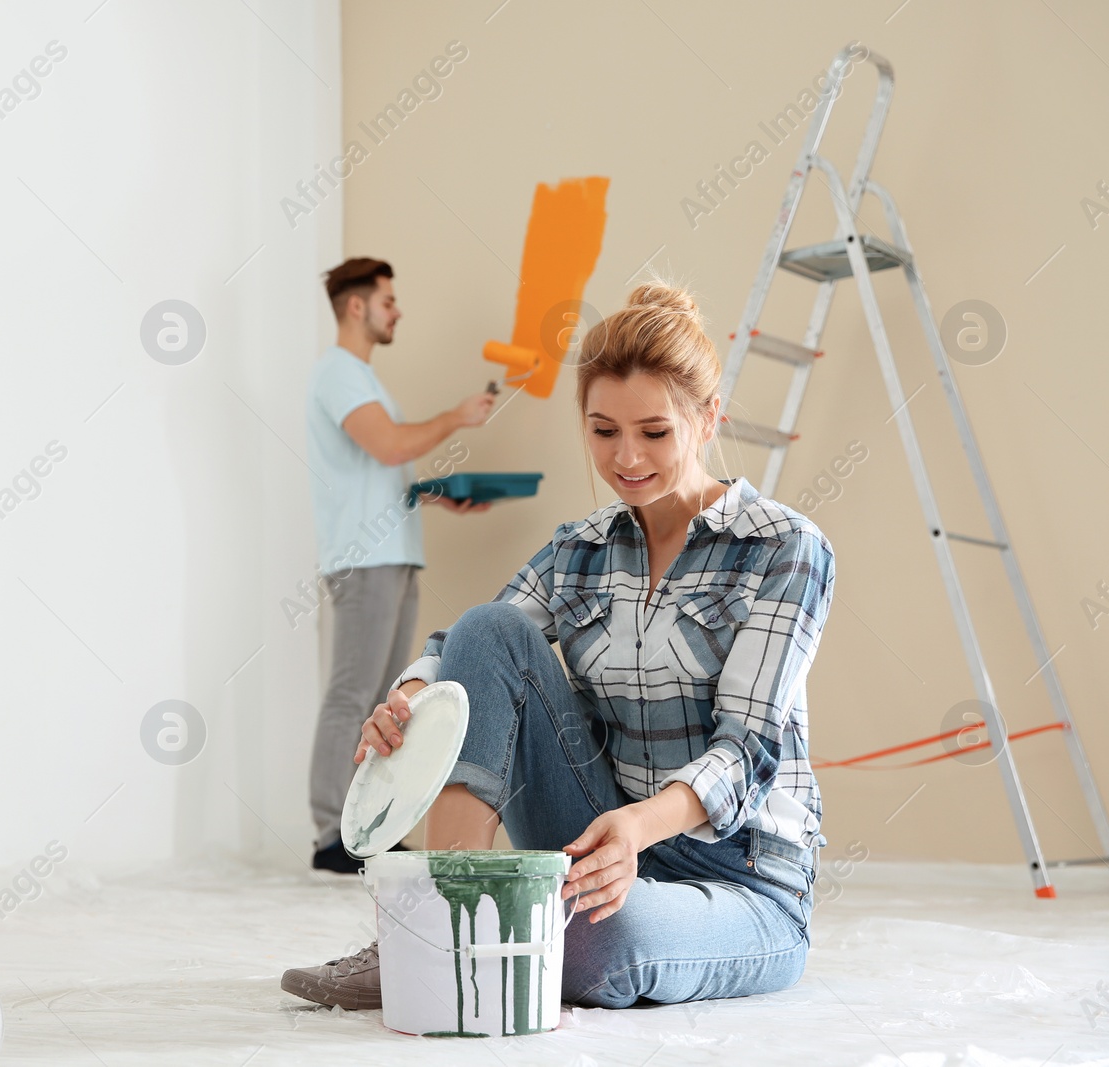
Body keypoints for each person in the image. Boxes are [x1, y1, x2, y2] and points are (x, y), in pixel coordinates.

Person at [281, 280, 836, 1011]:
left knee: (602, 943)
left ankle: (477, 938)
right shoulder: (581, 548)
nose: (627, 457)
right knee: (489, 628)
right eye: (604, 431)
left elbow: (747, 750)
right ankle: (433, 931)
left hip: (739, 876)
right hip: (600, 836)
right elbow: (468, 647)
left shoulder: (785, 548)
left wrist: (637, 828)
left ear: (708, 419)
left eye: (654, 432)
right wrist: (411, 698)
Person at [304, 257, 498, 874]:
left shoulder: (360, 377)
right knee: (352, 695)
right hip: (365, 558)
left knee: (380, 703)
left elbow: (380, 471)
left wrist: (439, 494)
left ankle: (363, 831)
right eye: (388, 300)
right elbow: (388, 444)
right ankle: (331, 834)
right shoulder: (339, 373)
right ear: (357, 306)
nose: (398, 310)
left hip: (389, 553)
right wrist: (456, 418)